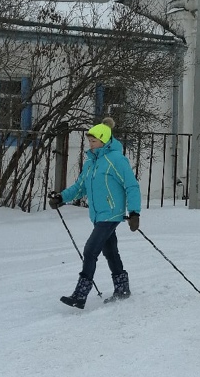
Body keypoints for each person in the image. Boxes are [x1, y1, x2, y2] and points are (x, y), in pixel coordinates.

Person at [48, 117, 141, 308]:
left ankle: (80, 295)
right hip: (98, 215)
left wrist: (134, 212)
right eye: (89, 141)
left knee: (90, 250)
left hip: (111, 212)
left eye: (94, 141)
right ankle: (122, 288)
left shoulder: (116, 159)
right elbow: (80, 186)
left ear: (104, 140)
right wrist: (61, 197)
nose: (90, 144)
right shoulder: (91, 162)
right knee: (110, 251)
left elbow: (131, 186)